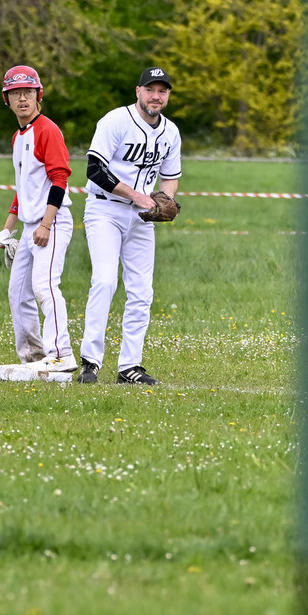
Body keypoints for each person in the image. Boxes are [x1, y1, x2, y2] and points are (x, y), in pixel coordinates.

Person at [78, 67, 182, 385]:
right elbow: (95, 170)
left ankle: (129, 367)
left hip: (141, 219)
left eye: (162, 91)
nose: (156, 96)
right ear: (138, 91)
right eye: (150, 89)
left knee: (142, 292)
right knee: (106, 281)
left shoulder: (170, 132)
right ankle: (90, 362)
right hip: (105, 211)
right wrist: (138, 196)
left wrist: (164, 199)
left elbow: (171, 175)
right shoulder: (115, 121)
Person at [0, 65, 77, 372]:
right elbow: (23, 188)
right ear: (7, 99)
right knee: (17, 292)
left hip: (51, 223)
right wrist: (7, 230)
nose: (22, 99)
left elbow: (60, 179)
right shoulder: (18, 136)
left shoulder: (47, 130)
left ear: (38, 95)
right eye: (15, 94)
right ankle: (33, 356)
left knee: (44, 286)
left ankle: (61, 354)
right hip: (31, 227)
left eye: (28, 92)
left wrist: (45, 224)